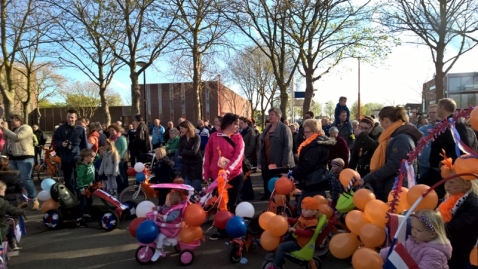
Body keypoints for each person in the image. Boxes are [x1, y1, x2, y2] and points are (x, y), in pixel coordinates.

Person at [358, 106, 422, 202]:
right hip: (390, 185)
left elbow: (393, 166)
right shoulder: (394, 136)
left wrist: (369, 177)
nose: (381, 125)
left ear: (386, 120)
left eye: (381, 121)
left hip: (395, 189)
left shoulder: (401, 139)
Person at [203, 113, 245, 240]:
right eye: (235, 124)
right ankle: (221, 230)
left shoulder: (238, 138)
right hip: (218, 179)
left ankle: (233, 230)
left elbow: (239, 157)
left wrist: (228, 170)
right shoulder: (214, 136)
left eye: (238, 124)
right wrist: (205, 173)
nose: (238, 126)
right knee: (220, 205)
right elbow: (207, 154)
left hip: (234, 176)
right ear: (228, 124)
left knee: (232, 204)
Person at [419, 98, 470, 198]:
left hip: (444, 172)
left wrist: (443, 163)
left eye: (438, 107)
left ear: (442, 108)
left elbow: (463, 149)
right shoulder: (443, 125)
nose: (437, 110)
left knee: (427, 193)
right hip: (437, 170)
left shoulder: (455, 125)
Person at [379, 210, 452, 269]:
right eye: (413, 227)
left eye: (418, 230)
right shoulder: (413, 241)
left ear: (432, 234)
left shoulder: (434, 254)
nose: (414, 231)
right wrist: (380, 256)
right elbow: (398, 250)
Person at [267, 197, 320, 269]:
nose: (303, 211)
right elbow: (297, 221)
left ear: (314, 212)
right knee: (281, 239)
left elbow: (308, 233)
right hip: (295, 237)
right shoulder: (304, 217)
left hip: (299, 243)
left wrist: (295, 230)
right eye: (302, 209)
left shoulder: (313, 222)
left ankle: (275, 265)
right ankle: (277, 255)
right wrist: (288, 219)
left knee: (281, 247)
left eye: (306, 210)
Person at [292, 119, 331, 215]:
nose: (305, 135)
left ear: (315, 131)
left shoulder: (314, 146)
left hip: (312, 181)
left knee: (304, 208)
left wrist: (294, 172)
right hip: (318, 179)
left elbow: (307, 165)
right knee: (317, 207)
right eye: (304, 132)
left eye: (307, 132)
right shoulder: (320, 142)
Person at [438, 175, 478, 269]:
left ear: (467, 184)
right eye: (446, 182)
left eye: (451, 182)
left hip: (461, 248)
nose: (447, 186)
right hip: (449, 243)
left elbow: (456, 226)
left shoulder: (473, 204)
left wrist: (431, 226)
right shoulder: (452, 197)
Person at [1, 114, 39, 210]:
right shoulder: (12, 130)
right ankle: (24, 199)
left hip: (24, 157)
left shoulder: (26, 128)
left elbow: (17, 137)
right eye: (10, 121)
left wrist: (6, 130)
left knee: (26, 179)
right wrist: (3, 128)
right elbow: (6, 138)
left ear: (19, 121)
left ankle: (34, 199)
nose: (11, 123)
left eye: (13, 121)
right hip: (13, 157)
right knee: (18, 181)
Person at [258, 108, 294, 201]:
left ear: (278, 116)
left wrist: (285, 162)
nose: (269, 116)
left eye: (272, 114)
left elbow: (288, 147)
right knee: (269, 180)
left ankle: (284, 202)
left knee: (281, 183)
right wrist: (260, 161)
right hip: (267, 160)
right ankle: (269, 198)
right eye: (269, 114)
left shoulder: (284, 129)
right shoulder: (267, 128)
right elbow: (262, 145)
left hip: (280, 162)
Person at [53, 109, 88, 195]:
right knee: (68, 179)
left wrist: (86, 157)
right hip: (65, 158)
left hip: (77, 158)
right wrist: (61, 144)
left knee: (79, 179)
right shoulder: (60, 129)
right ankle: (71, 198)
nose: (70, 119)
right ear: (66, 117)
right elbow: (55, 140)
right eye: (68, 117)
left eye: (72, 117)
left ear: (76, 118)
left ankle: (80, 198)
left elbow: (84, 144)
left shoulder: (81, 129)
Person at [151, 192, 183, 262]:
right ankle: (159, 245)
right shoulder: (168, 206)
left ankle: (158, 251)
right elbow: (162, 209)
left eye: (166, 200)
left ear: (171, 202)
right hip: (166, 226)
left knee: (160, 237)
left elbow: (170, 218)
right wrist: (157, 208)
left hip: (171, 229)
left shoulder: (176, 210)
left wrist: (161, 216)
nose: (165, 201)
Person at [178, 121, 203, 192]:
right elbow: (179, 151)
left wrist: (184, 151)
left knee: (197, 186)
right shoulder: (182, 138)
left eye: (182, 128)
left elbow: (194, 152)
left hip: (196, 164)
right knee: (187, 187)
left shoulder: (196, 137)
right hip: (186, 165)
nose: (180, 130)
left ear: (187, 128)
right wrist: (188, 151)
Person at [75, 149, 97, 228]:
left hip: (89, 186)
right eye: (91, 156)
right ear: (85, 158)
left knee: (89, 201)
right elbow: (79, 179)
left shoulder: (91, 163)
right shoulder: (81, 168)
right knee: (83, 203)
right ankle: (79, 219)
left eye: (93, 156)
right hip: (83, 187)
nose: (93, 158)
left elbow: (97, 157)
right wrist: (81, 189)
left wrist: (94, 154)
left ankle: (86, 214)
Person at [0, 181, 24, 252]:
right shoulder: (3, 202)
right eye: (4, 191)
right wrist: (21, 211)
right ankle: (13, 244)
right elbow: (13, 210)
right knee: (9, 229)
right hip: (1, 228)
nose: (4, 193)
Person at [417, 104, 439, 178]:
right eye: (430, 113)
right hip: (423, 165)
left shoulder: (446, 129)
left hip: (439, 166)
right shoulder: (422, 130)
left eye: (434, 112)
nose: (431, 114)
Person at [239, 117, 256, 201]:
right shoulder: (242, 132)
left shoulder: (250, 132)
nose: (240, 125)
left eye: (241, 123)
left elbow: (252, 145)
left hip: (247, 157)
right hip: (242, 156)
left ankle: (249, 194)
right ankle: (245, 193)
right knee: (244, 177)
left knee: (247, 176)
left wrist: (245, 154)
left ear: (246, 123)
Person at [108, 124, 128, 193]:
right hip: (112, 159)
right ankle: (118, 188)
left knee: (121, 174)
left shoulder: (121, 138)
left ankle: (123, 188)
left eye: (112, 130)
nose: (111, 132)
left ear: (117, 130)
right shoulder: (110, 138)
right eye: (110, 130)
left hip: (120, 159)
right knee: (116, 174)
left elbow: (124, 149)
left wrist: (119, 157)